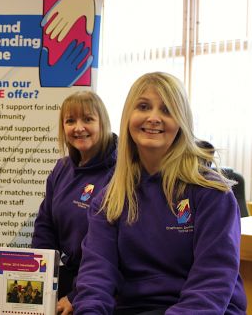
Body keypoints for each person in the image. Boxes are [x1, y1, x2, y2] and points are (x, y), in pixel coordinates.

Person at [73, 72, 247, 314]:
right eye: (143, 106)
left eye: (166, 110)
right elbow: (96, 276)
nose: (153, 118)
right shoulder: (108, 200)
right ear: (128, 118)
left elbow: (212, 283)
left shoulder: (212, 194)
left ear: (181, 122)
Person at [31, 90, 117, 315]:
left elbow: (113, 251)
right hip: (69, 274)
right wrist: (40, 277)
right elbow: (45, 226)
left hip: (103, 282)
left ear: (103, 122)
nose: (78, 127)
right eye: (70, 121)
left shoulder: (120, 173)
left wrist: (76, 295)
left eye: (88, 119)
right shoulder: (61, 168)